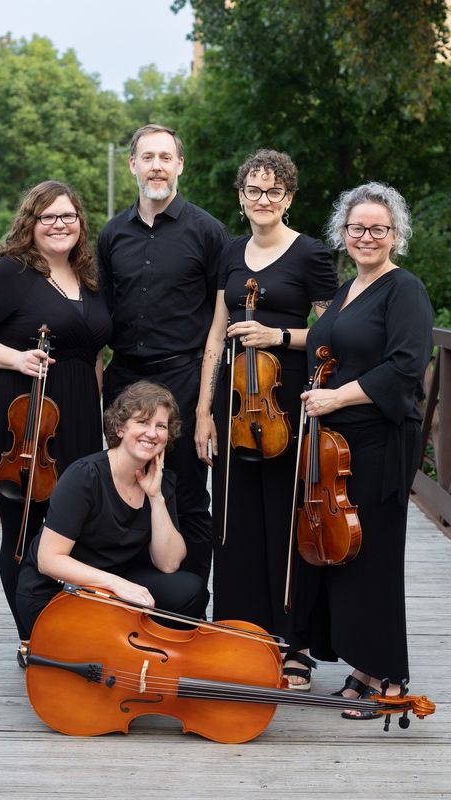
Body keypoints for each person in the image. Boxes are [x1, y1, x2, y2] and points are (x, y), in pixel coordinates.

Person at [194, 149, 337, 691]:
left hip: (287, 405)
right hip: (234, 406)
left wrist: (277, 336)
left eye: (274, 191)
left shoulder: (312, 256)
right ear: (240, 197)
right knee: (233, 524)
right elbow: (215, 334)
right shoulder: (230, 254)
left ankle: (294, 645)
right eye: (254, 191)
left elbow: (332, 336)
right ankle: (238, 633)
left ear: (289, 198)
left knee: (284, 523)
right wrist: (204, 411)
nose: (263, 200)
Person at [0, 180, 111, 636]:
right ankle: (32, 636)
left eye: (68, 216)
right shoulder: (9, 273)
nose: (60, 225)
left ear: (80, 223)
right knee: (23, 529)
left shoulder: (89, 280)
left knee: (69, 528)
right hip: (20, 420)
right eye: (48, 217)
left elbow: (94, 351)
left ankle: (63, 627)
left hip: (76, 415)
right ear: (31, 223)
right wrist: (17, 357)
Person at [299, 181, 434, 718]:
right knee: (346, 554)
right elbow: (324, 349)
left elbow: (404, 367)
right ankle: (360, 664)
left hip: (379, 440)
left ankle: (385, 672)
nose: (367, 236)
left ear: (395, 236)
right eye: (357, 228)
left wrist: (335, 397)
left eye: (378, 228)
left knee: (375, 557)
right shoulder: (344, 291)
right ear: (343, 234)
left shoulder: (405, 290)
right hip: (336, 445)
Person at [97, 124, 229, 583]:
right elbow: (99, 318)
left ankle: (189, 605)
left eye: (165, 157)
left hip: (185, 381)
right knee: (126, 489)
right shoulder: (112, 234)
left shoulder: (209, 232)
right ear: (132, 165)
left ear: (179, 166)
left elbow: (220, 324)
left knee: (190, 494)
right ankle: (136, 596)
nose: (156, 165)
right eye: (147, 157)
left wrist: (207, 408)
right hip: (124, 382)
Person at [14, 381, 209, 638]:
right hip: (58, 592)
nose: (152, 433)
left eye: (160, 426)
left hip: (112, 590)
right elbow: (49, 560)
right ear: (120, 427)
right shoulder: (85, 476)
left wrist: (155, 497)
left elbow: (169, 563)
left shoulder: (162, 481)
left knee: (190, 590)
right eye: (142, 422)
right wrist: (118, 585)